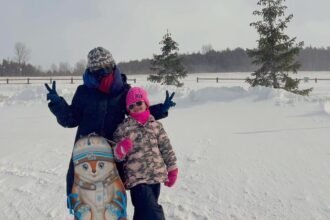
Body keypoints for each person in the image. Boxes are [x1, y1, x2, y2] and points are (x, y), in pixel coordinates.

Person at [44, 47, 176, 201]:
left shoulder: (123, 91)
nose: (102, 74)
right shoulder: (84, 91)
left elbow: (138, 112)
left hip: (113, 153)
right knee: (83, 200)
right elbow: (71, 119)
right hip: (86, 153)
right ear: (91, 71)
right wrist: (58, 103)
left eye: (105, 69)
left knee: (112, 201)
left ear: (112, 66)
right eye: (97, 71)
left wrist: (161, 109)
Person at [112, 86, 178, 220]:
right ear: (127, 109)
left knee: (143, 212)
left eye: (139, 103)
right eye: (131, 106)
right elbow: (115, 155)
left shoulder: (156, 126)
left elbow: (166, 148)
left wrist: (172, 169)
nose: (135, 107)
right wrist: (121, 149)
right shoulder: (123, 128)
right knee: (151, 210)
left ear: (146, 103)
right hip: (137, 179)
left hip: (156, 176)